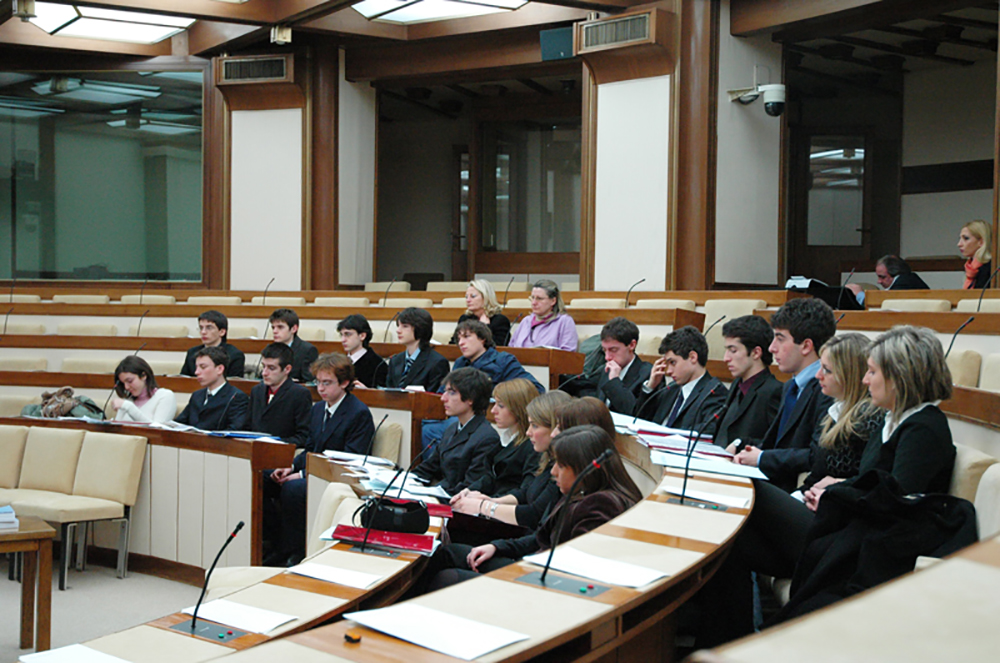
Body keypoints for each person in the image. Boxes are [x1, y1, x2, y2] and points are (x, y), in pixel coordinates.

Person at [697, 325, 955, 647]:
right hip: (842, 526)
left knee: (753, 490)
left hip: (862, 542)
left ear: (899, 376)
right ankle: (723, 644)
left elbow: (895, 502)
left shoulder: (924, 427)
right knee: (733, 545)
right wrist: (841, 487)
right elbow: (872, 481)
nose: (865, 379)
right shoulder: (895, 419)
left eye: (873, 372)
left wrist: (838, 493)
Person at [420, 425, 642, 592]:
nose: (553, 472)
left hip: (540, 583)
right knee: (443, 553)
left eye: (560, 465)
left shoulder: (600, 505)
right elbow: (541, 537)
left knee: (446, 576)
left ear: (584, 469)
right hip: (531, 565)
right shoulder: (584, 494)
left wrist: (516, 568)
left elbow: (570, 569)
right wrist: (497, 548)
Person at [264, 353, 375, 566]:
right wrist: (291, 467)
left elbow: (350, 459)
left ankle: (295, 551)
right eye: (318, 382)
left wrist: (303, 474)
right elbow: (312, 447)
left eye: (327, 383)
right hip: (314, 471)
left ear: (344, 383)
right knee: (266, 477)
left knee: (294, 489)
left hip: (338, 478)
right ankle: (273, 543)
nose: (321, 388)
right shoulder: (317, 409)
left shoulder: (358, 413)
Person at [732, 298, 836, 493]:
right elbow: (776, 443)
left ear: (806, 346)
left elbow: (815, 456)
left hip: (794, 492)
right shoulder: (790, 387)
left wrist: (762, 458)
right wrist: (741, 447)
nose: (772, 348)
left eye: (780, 339)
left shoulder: (826, 390)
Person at [450, 390, 573, 529]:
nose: (529, 432)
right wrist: (490, 500)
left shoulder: (560, 468)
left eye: (535, 426)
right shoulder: (547, 458)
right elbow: (525, 493)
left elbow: (534, 514)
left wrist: (483, 506)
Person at [412, 368, 500, 495]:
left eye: (451, 393)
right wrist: (403, 482)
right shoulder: (452, 429)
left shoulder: (486, 438)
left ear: (471, 398)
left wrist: (428, 494)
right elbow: (428, 468)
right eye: (445, 392)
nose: (443, 398)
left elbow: (470, 487)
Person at [633, 326, 727, 435]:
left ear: (692, 357)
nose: (668, 371)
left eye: (673, 362)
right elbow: (641, 421)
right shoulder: (671, 389)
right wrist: (650, 387)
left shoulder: (714, 393)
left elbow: (706, 433)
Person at [714, 315, 782, 450]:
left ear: (756, 353)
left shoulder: (774, 391)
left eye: (733, 350)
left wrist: (739, 445)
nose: (726, 358)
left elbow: (773, 445)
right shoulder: (736, 385)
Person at [465, 378, 540, 496]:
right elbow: (490, 478)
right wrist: (468, 491)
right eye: (494, 403)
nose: (493, 410)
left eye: (500, 405)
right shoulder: (506, 438)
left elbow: (522, 492)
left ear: (518, 408)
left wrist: (485, 503)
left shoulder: (532, 447)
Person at [246, 343, 312, 447]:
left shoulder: (299, 394)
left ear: (287, 369)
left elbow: (304, 436)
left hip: (282, 452)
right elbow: (248, 426)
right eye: (264, 367)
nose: (264, 373)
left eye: (271, 368)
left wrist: (277, 443)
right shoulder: (256, 391)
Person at [453, 320, 544, 392]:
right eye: (459, 339)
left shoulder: (503, 360)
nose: (461, 343)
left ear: (482, 339)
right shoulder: (460, 362)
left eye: (467, 336)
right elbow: (443, 392)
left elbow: (536, 389)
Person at [174, 346, 249, 431]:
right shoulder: (197, 395)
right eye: (196, 367)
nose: (196, 372)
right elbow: (180, 423)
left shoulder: (236, 397)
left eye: (203, 367)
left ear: (220, 369)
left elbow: (235, 430)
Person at [594, 317, 652, 415]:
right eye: (604, 350)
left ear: (632, 345)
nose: (607, 357)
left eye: (613, 350)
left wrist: (614, 381)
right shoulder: (604, 370)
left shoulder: (647, 374)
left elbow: (634, 412)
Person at [384, 307, 450, 392]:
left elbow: (435, 398)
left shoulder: (437, 363)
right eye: (398, 326)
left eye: (405, 326)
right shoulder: (395, 360)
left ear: (420, 328)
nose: (398, 330)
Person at [508, 279, 578, 351]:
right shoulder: (526, 321)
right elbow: (511, 348)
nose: (534, 303)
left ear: (553, 301)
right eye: (532, 298)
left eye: (539, 298)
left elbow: (568, 356)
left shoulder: (564, 322)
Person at [180, 310, 246, 378]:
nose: (203, 332)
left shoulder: (235, 355)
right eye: (201, 328)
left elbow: (235, 384)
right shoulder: (192, 352)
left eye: (209, 328)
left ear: (222, 332)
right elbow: (183, 380)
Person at [112, 356, 177, 423]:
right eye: (123, 383)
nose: (126, 387)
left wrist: (129, 407)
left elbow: (157, 429)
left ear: (143, 375)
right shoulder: (128, 401)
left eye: (130, 381)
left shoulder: (164, 396)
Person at [845, 255, 930, 306]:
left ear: (895, 273)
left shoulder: (905, 282)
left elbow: (886, 305)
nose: (879, 281)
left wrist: (860, 294)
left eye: (882, 277)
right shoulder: (907, 279)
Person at [449, 279, 512, 346]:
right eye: (466, 297)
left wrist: (485, 327)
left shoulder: (500, 321)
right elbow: (453, 344)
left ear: (486, 297)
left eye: (473, 296)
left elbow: (498, 347)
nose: (468, 300)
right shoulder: (464, 319)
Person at [268, 308, 318, 382]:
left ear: (294, 329)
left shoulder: (308, 350)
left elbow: (309, 382)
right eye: (273, 327)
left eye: (280, 327)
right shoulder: (270, 349)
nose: (275, 331)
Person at [336, 314, 385, 388]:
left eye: (348, 334)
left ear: (362, 336)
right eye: (341, 335)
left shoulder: (378, 365)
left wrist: (366, 392)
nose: (343, 340)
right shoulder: (339, 362)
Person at [959, 219, 993, 289]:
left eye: (966, 238)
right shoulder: (970, 267)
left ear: (981, 242)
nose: (959, 244)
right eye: (960, 239)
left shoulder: (991, 268)